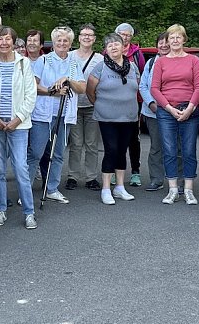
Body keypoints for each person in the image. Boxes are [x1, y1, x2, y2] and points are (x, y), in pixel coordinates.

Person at [27, 26, 86, 205]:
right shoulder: (43, 60)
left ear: (70, 44)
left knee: (58, 153)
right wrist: (52, 91)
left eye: (65, 41)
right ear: (53, 43)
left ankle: (52, 188)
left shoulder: (74, 63)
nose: (62, 43)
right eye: (59, 40)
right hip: (43, 115)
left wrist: (68, 80)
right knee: (36, 153)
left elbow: (82, 88)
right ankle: (25, 189)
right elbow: (33, 87)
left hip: (64, 115)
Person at [0, 26, 38, 228]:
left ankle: (29, 212)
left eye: (8, 39)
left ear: (14, 42)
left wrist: (18, 119)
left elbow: (30, 95)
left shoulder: (24, 64)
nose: (4, 43)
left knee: (20, 168)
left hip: (20, 125)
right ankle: (0, 210)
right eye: (0, 39)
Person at [150, 24, 199, 206]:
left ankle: (188, 189)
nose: (174, 40)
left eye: (178, 37)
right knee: (169, 150)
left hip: (190, 111)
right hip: (167, 112)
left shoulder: (193, 60)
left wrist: (190, 108)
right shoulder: (161, 62)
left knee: (189, 151)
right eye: (171, 37)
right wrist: (169, 109)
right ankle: (172, 189)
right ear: (167, 40)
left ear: (184, 39)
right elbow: (154, 88)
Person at [86, 33, 141, 205]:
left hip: (129, 116)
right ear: (106, 49)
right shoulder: (100, 67)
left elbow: (136, 87)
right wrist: (101, 105)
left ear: (123, 46)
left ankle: (120, 187)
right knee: (111, 149)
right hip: (107, 116)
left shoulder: (132, 67)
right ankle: (106, 188)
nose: (113, 47)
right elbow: (90, 91)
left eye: (116, 43)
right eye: (109, 45)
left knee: (122, 150)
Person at [66, 24, 103, 191]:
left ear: (94, 39)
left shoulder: (100, 59)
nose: (87, 37)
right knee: (76, 143)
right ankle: (73, 176)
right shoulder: (69, 56)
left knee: (92, 143)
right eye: (84, 35)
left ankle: (91, 177)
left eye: (90, 35)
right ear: (78, 38)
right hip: (73, 105)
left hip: (92, 105)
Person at [114, 23, 145, 186]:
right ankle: (114, 170)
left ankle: (135, 171)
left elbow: (141, 76)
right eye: (122, 34)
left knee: (133, 138)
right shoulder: (108, 51)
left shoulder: (137, 54)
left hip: (133, 102)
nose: (124, 37)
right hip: (112, 103)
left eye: (128, 35)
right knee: (114, 138)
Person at [140, 32, 169, 192]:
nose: (163, 45)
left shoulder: (177, 61)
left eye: (167, 42)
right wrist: (151, 103)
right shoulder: (151, 62)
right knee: (156, 147)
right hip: (154, 113)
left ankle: (177, 179)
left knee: (176, 147)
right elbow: (143, 86)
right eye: (160, 42)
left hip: (174, 113)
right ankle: (156, 179)